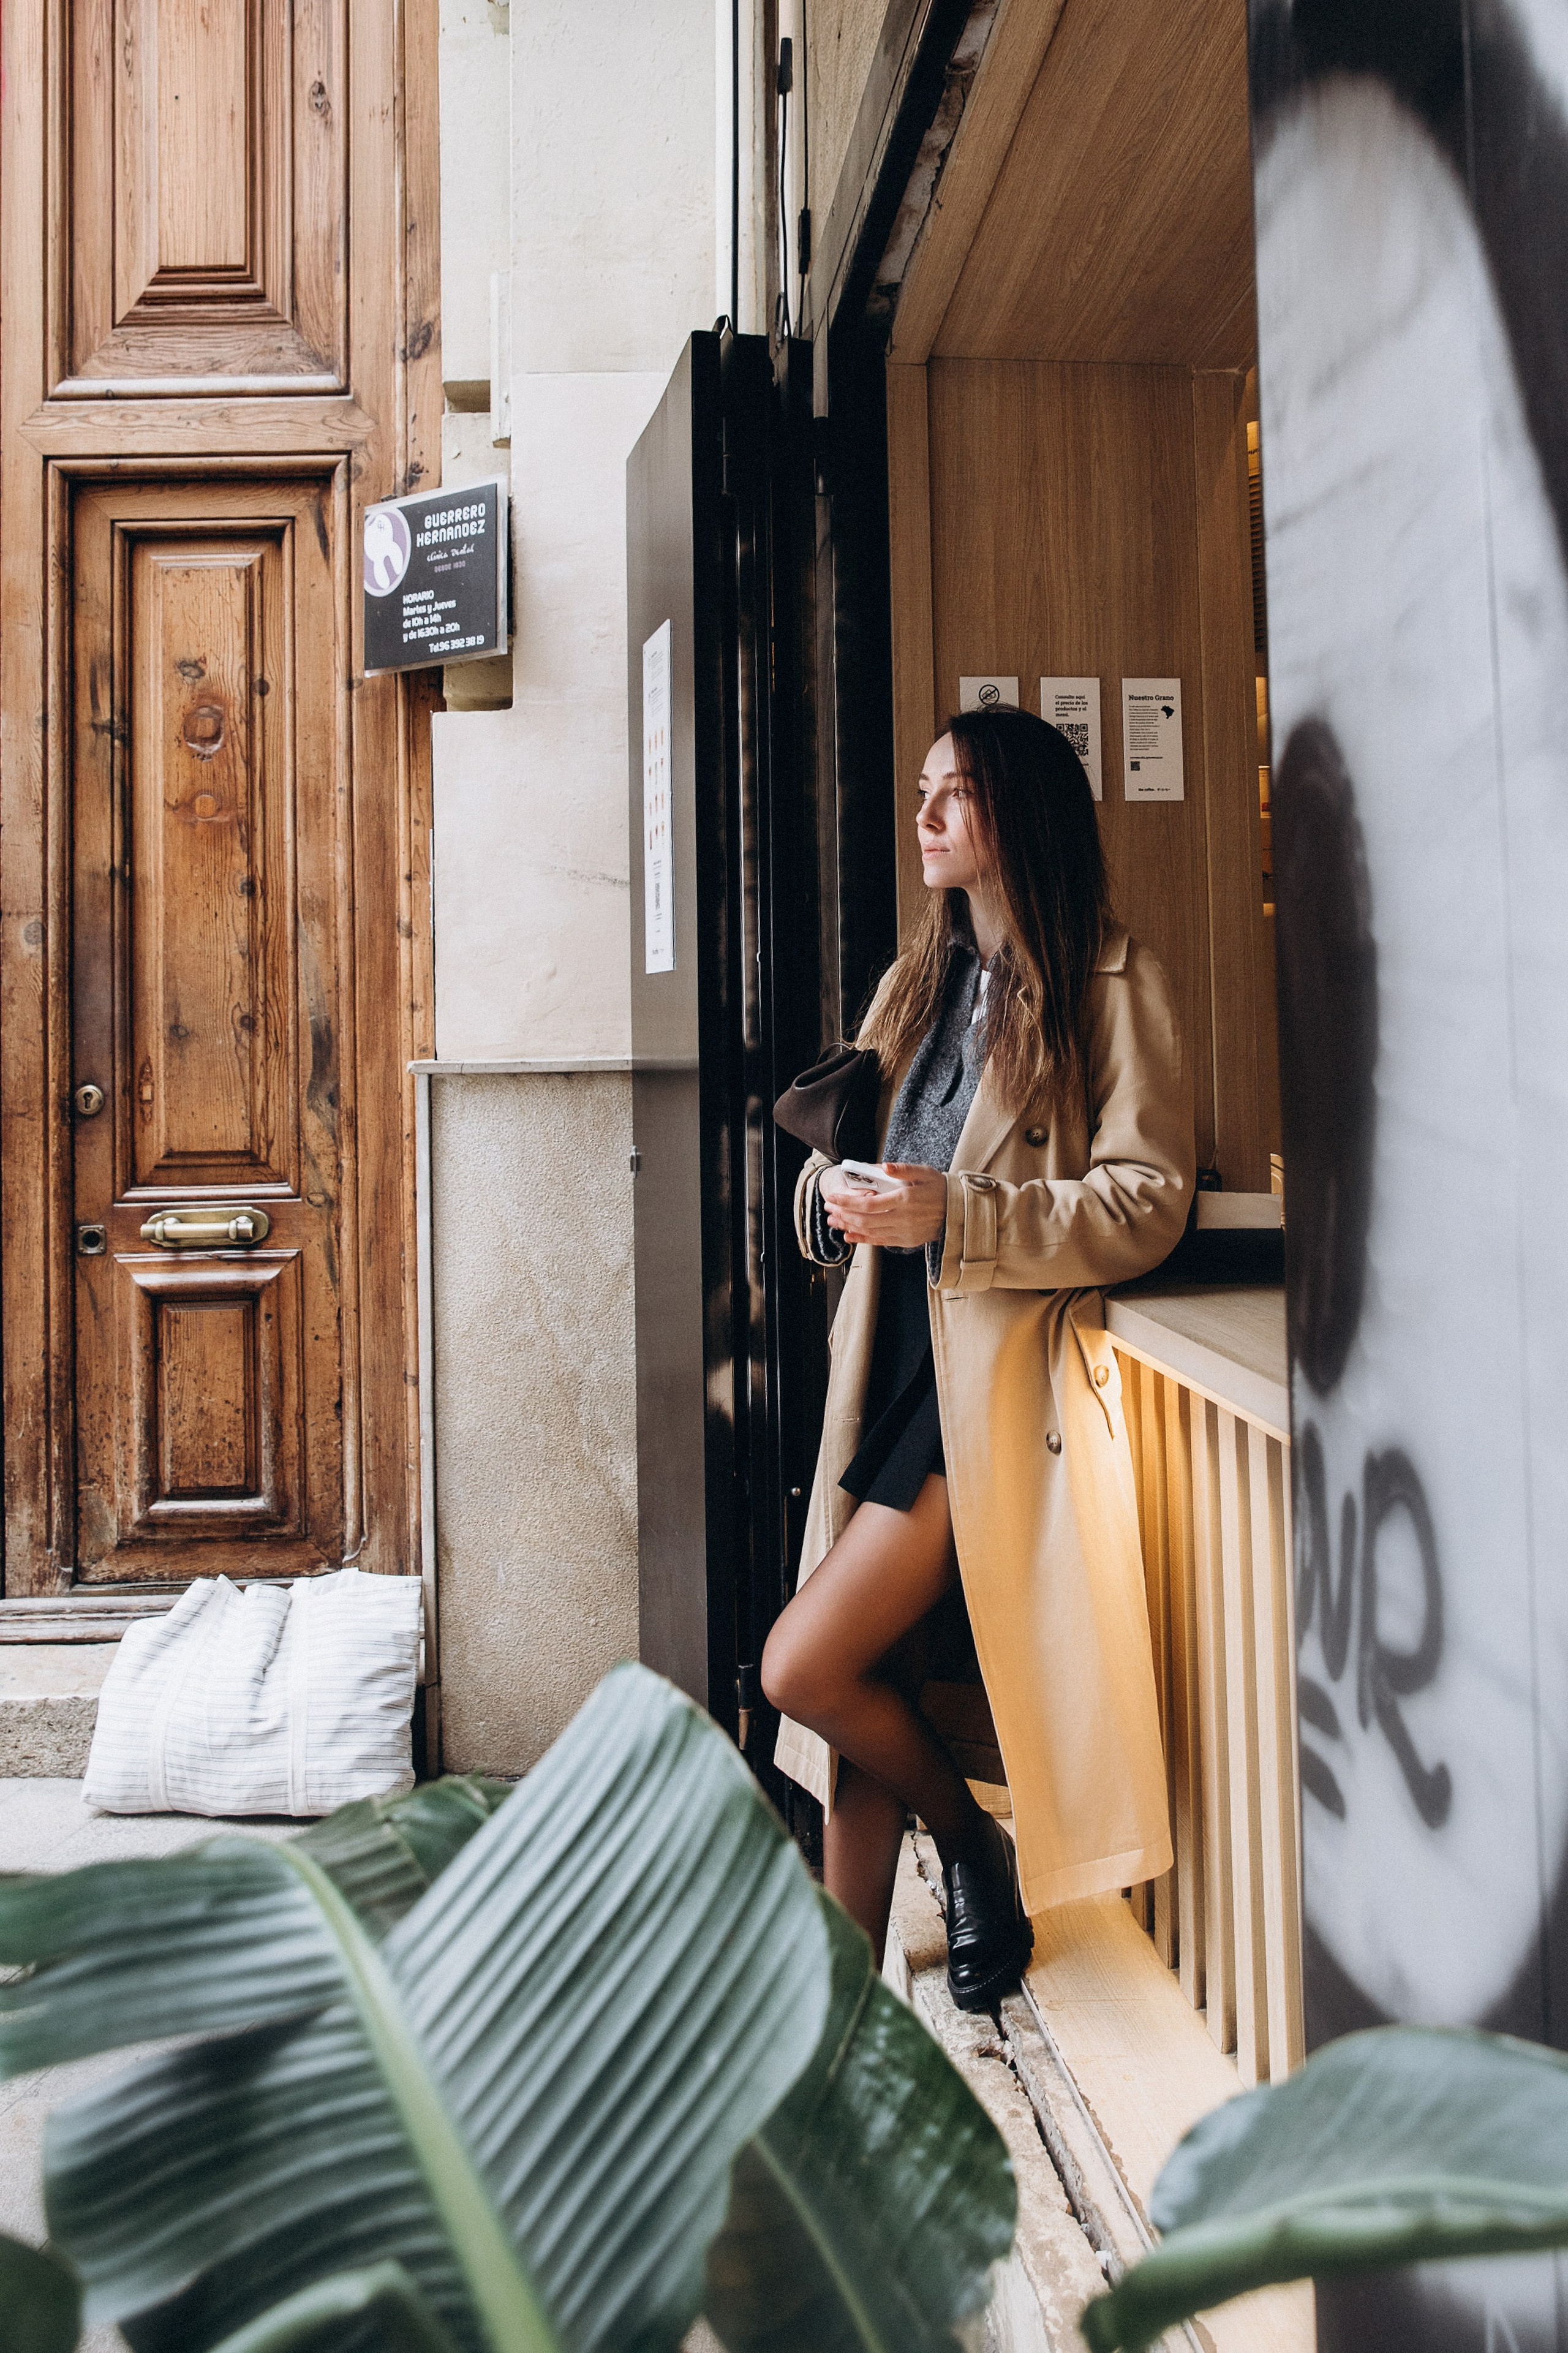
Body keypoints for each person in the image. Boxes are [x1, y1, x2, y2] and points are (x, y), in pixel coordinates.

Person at [761, 706, 1194, 2009]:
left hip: (986, 1383)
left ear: (1022, 812)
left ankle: (970, 1848)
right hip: (889, 1352)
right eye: (921, 790)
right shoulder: (919, 983)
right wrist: (834, 1202)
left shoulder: (1115, 983)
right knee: (859, 1677)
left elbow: (1147, 1197)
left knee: (806, 1663)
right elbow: (875, 1164)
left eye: (955, 793)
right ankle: (834, 2013)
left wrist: (962, 1214)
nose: (926, 814)